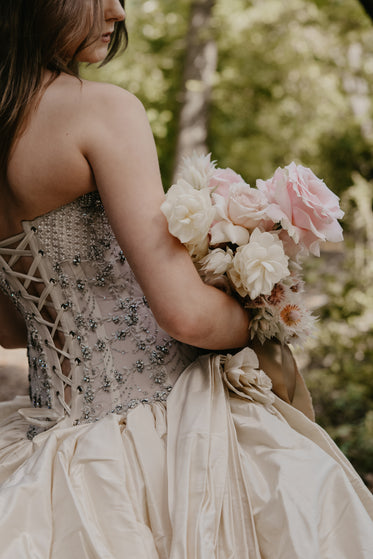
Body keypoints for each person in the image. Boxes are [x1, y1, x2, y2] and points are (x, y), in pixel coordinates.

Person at [0, 1, 372, 557]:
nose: (119, 11)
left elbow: (10, 328)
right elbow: (183, 314)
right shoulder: (100, 111)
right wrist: (263, 313)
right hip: (163, 434)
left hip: (51, 447)